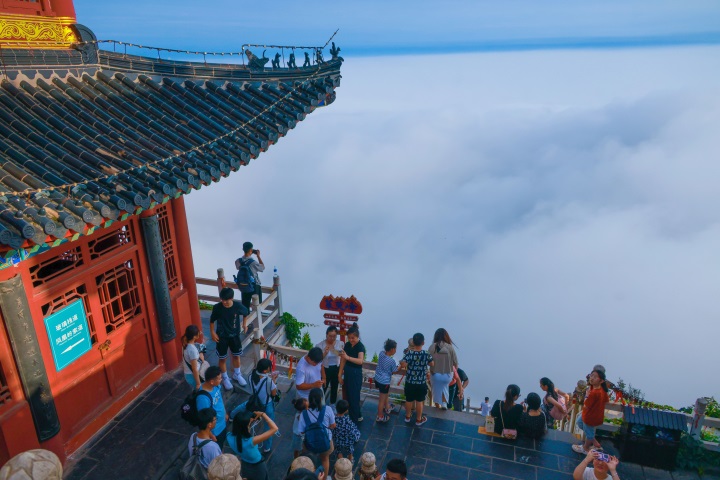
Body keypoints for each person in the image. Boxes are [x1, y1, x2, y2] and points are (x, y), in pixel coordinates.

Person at [230, 359, 278, 453]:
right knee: (268, 425)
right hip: (266, 404)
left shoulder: (251, 376)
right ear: (265, 370)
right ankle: (267, 447)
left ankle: (231, 416)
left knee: (244, 406)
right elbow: (273, 394)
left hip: (254, 401)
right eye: (269, 367)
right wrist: (274, 381)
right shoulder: (269, 381)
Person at [210, 287, 249, 389]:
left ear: (231, 298)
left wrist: (244, 324)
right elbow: (212, 320)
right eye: (222, 300)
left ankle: (237, 374)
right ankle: (225, 378)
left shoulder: (237, 306)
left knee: (236, 356)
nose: (224, 302)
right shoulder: (217, 307)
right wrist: (212, 332)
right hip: (221, 336)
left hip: (234, 336)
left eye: (226, 300)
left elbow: (245, 313)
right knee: (222, 358)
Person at [226, 410, 277, 480]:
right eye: (249, 424)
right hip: (258, 466)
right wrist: (263, 414)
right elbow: (274, 428)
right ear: (245, 427)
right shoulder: (251, 441)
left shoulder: (229, 436)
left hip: (245, 464)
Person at [297, 388, 336, 476]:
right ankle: (324, 478)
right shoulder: (328, 409)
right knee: (325, 459)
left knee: (310, 460)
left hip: (309, 443)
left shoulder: (304, 414)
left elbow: (301, 431)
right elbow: (333, 425)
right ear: (321, 399)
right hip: (325, 441)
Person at [572, 368, 610, 454]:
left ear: (601, 381)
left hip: (590, 416)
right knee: (579, 423)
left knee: (589, 433)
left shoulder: (594, 392)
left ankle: (585, 448)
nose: (592, 378)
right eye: (591, 375)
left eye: (595, 377)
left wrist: (587, 395)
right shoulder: (600, 389)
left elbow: (586, 404)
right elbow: (606, 400)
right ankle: (596, 443)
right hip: (590, 414)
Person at [400, 333, 434, 426]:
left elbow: (403, 364)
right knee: (419, 401)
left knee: (408, 399)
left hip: (410, 381)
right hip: (421, 382)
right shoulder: (426, 353)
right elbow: (432, 364)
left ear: (413, 343)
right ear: (423, 343)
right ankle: (418, 419)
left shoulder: (409, 353)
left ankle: (407, 417)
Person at [339, 322, 366, 423]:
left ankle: (354, 420)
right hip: (348, 372)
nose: (351, 340)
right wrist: (339, 374)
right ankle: (357, 415)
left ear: (357, 336)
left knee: (354, 397)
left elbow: (360, 361)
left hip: (355, 373)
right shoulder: (347, 345)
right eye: (349, 338)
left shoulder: (360, 346)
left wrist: (348, 357)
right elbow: (343, 359)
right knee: (349, 396)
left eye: (353, 338)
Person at [197, 366, 229, 447]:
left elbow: (220, 400)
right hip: (215, 431)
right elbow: (204, 419)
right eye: (219, 379)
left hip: (222, 423)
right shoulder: (203, 398)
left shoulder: (216, 386)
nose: (221, 380)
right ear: (212, 381)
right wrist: (211, 435)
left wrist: (224, 413)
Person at [428, 328, 459, 410]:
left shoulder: (432, 347)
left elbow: (428, 361)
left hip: (435, 374)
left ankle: (437, 405)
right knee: (444, 386)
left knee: (435, 388)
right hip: (447, 375)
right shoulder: (450, 347)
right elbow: (456, 364)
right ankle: (444, 403)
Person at [316, 326, 344, 404]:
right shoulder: (320, 345)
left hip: (336, 367)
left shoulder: (340, 343)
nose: (332, 338)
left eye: (334, 336)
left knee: (334, 387)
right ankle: (320, 403)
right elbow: (317, 359)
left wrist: (332, 350)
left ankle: (332, 404)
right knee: (323, 387)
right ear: (326, 335)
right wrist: (325, 353)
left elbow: (342, 355)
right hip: (325, 368)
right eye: (330, 336)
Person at [374, 339, 399, 422]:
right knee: (381, 400)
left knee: (385, 394)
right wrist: (401, 366)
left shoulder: (381, 353)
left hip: (377, 378)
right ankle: (380, 416)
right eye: (395, 349)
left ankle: (388, 407)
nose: (395, 350)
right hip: (384, 382)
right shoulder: (391, 361)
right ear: (392, 349)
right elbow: (395, 371)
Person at [237, 242, 265, 310]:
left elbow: (238, 268)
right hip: (254, 285)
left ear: (243, 249)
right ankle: (256, 317)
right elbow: (262, 268)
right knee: (257, 306)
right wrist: (258, 256)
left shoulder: (238, 261)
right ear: (251, 250)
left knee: (245, 306)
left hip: (244, 285)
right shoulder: (253, 262)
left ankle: (246, 316)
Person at [182, 324, 205, 390]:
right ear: (194, 337)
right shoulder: (192, 350)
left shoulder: (185, 343)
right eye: (198, 332)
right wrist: (198, 383)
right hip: (193, 375)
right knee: (200, 391)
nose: (199, 332)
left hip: (189, 373)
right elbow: (194, 369)